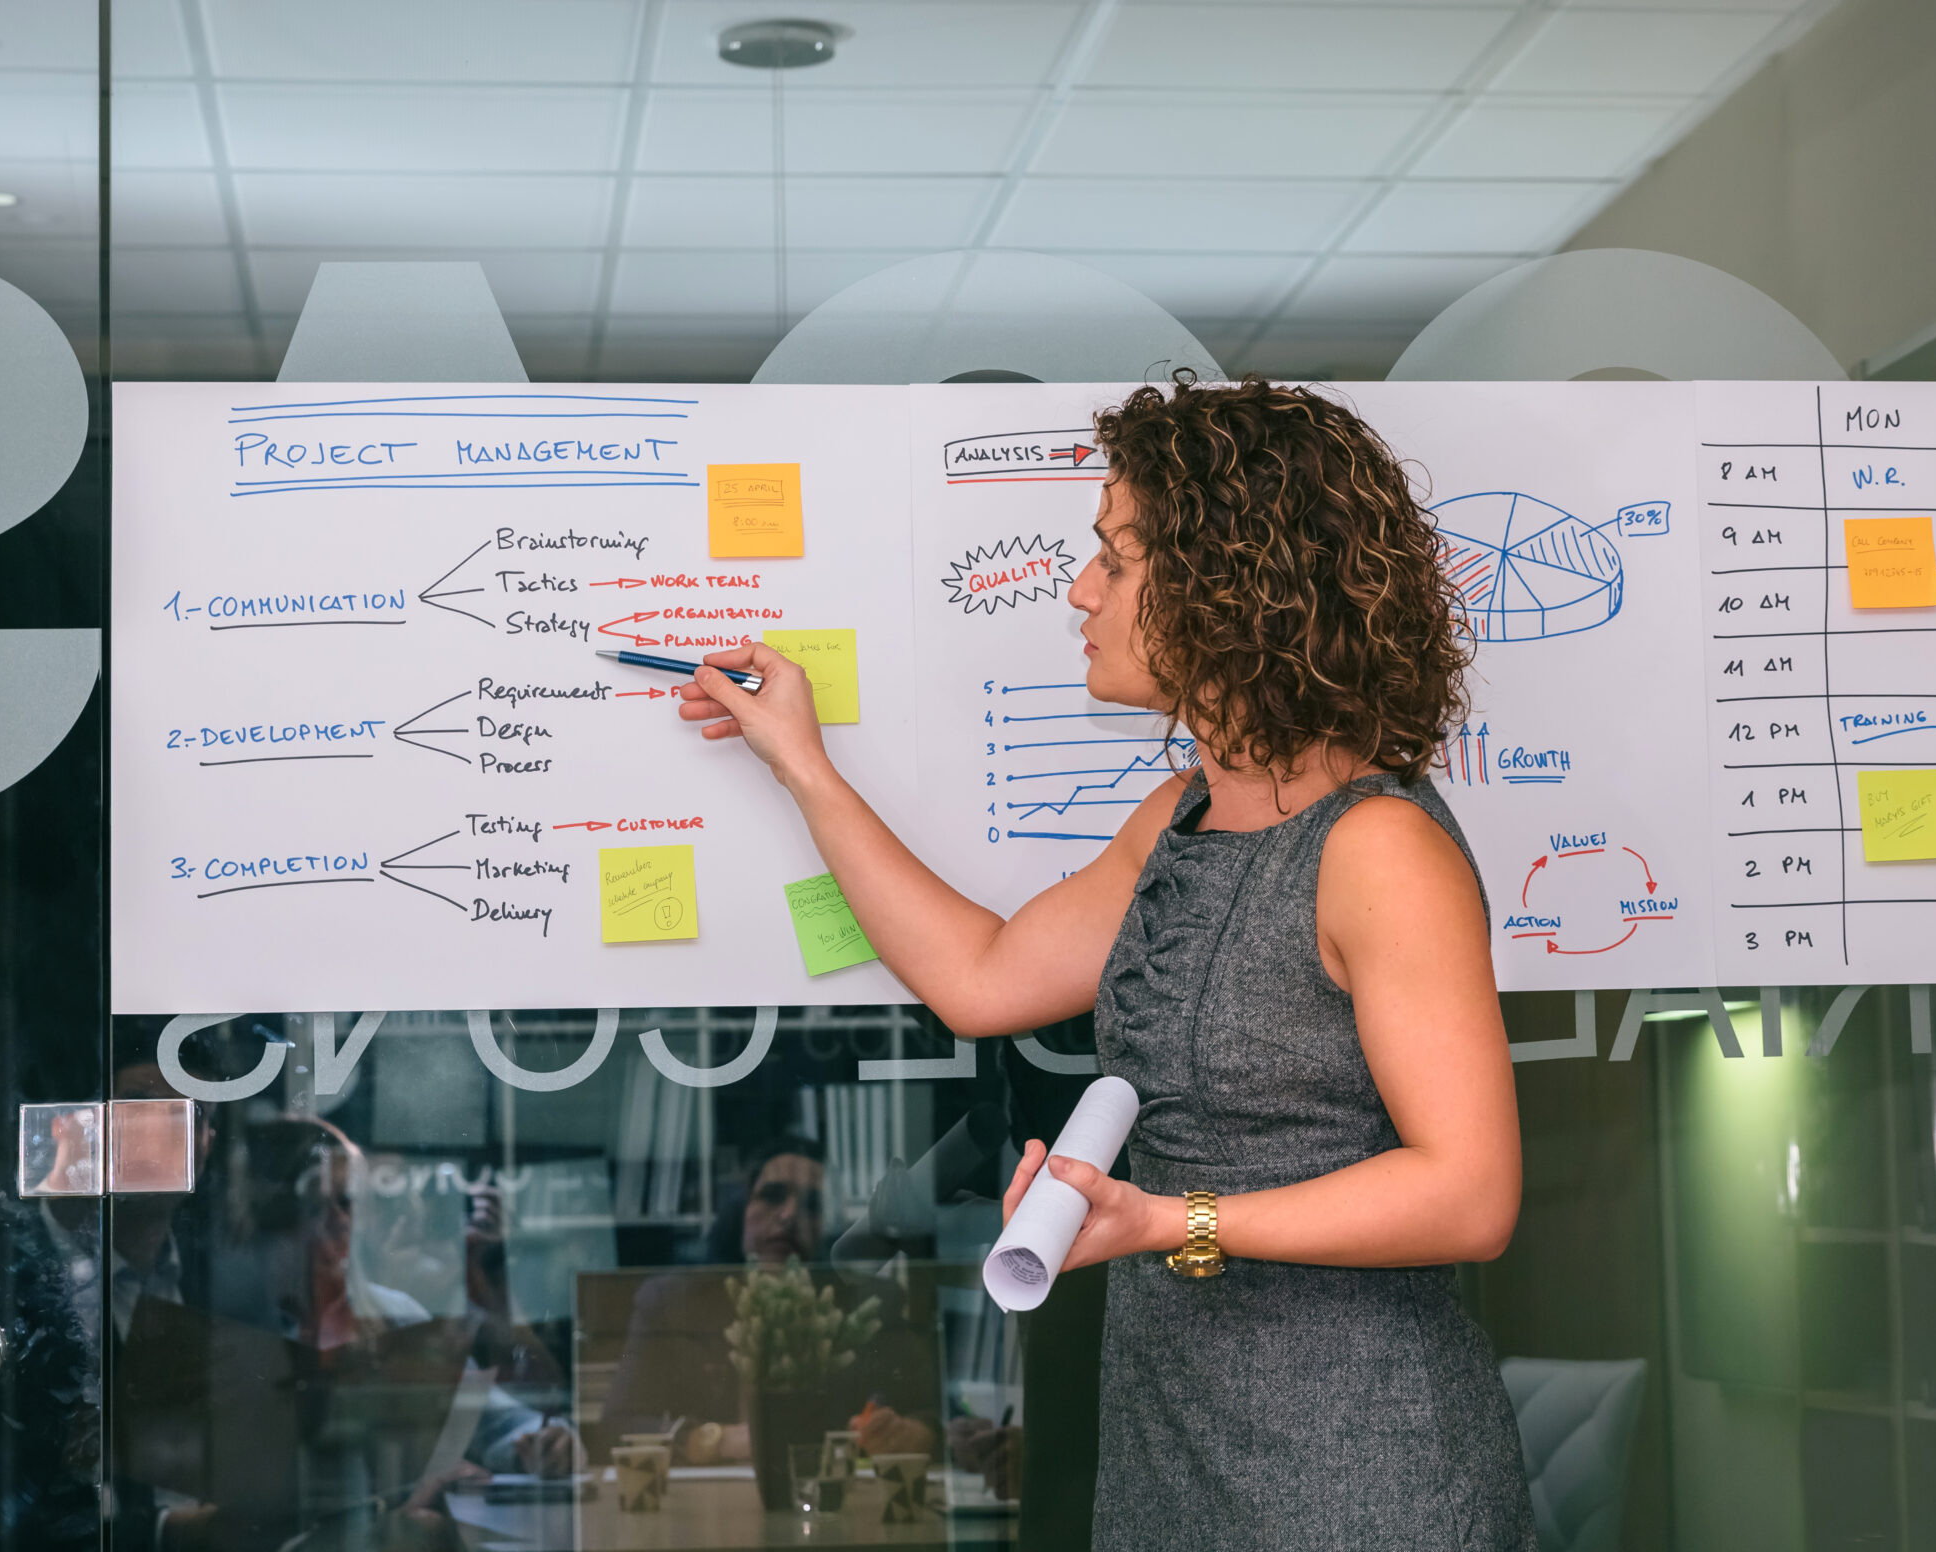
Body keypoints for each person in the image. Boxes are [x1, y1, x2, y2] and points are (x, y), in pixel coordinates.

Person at [676, 376, 1533, 1548]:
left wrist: (1171, 1221)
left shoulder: (1376, 847)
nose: (1081, 590)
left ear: (1231, 584)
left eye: (1115, 561)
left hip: (1358, 1467)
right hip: (1178, 1442)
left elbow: (1469, 1192)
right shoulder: (1184, 811)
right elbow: (980, 976)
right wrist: (804, 767)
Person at [597, 1136, 937, 1462]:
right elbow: (616, 1426)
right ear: (740, 1211)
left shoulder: (870, 1304)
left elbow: (937, 1417)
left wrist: (914, 1433)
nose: (789, 1215)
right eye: (773, 1196)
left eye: (811, 1205)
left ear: (828, 1226)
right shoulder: (673, 1303)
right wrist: (712, 1440)